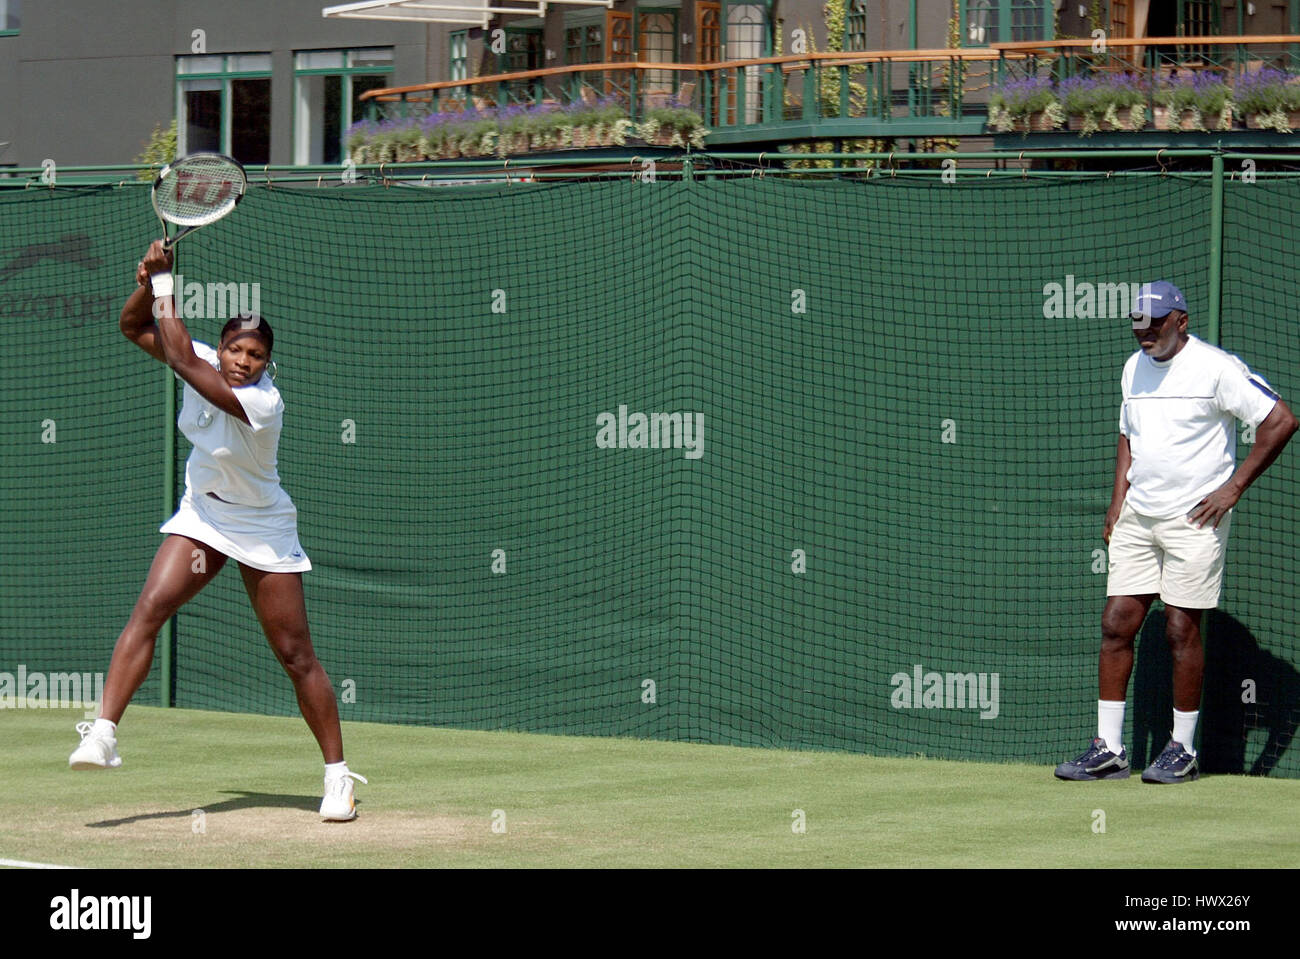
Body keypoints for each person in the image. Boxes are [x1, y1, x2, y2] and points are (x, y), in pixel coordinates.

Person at [69, 240, 366, 821]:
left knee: (295, 654)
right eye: (235, 349)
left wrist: (164, 283)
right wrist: (146, 282)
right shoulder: (199, 352)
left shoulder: (264, 402)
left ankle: (336, 779)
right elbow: (133, 327)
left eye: (255, 354)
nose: (242, 361)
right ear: (223, 346)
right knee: (149, 610)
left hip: (262, 527)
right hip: (203, 516)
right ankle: (103, 734)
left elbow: (181, 359)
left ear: (265, 364)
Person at [1055, 281, 1297, 783]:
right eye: (1138, 324)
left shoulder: (1217, 369)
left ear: (1181, 321)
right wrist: (1118, 500)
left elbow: (1280, 421)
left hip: (1195, 520)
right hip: (1138, 517)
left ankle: (1182, 750)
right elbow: (1128, 434)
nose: (1144, 333)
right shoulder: (1132, 367)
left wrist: (1232, 490)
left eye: (1155, 323)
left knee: (1180, 629)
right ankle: (1110, 749)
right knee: (1117, 623)